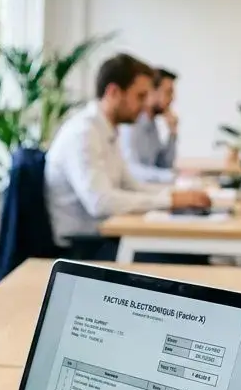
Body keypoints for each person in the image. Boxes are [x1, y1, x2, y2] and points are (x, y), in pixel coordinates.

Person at [45, 53, 210, 261]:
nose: (145, 104)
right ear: (114, 92)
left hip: (106, 237)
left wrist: (179, 195)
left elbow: (131, 185)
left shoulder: (108, 131)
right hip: (82, 246)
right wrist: (171, 199)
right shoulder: (83, 134)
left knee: (190, 254)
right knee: (184, 259)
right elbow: (101, 203)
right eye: (140, 96)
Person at [120, 67, 179, 183]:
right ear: (152, 92)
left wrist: (173, 132)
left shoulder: (152, 125)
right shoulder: (131, 124)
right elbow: (132, 170)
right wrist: (171, 176)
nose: (172, 99)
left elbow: (164, 165)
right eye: (168, 92)